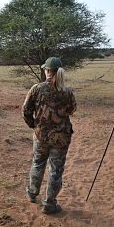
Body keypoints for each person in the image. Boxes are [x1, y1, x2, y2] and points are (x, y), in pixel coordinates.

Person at [22, 57, 76, 214]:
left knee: (38, 163)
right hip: (61, 138)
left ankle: (32, 194)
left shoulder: (36, 89)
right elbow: (72, 110)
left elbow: (25, 111)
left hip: (40, 136)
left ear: (47, 71)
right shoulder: (67, 91)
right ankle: (49, 204)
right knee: (56, 169)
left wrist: (34, 125)